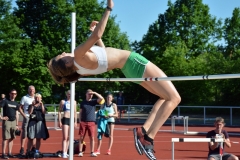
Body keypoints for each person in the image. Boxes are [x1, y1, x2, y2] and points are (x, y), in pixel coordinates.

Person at [47, 0, 181, 159]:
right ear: (66, 63)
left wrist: (96, 38)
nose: (63, 52)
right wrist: (108, 9)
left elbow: (105, 54)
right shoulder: (77, 54)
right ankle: (148, 138)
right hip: (133, 62)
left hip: (129, 70)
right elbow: (97, 34)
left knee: (165, 97)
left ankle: (143, 131)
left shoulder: (81, 69)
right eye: (61, 56)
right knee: (174, 98)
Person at [78, 89, 104, 157]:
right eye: (89, 94)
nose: (90, 95)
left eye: (91, 94)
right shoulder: (82, 103)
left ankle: (92, 152)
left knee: (92, 137)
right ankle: (80, 151)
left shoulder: (93, 102)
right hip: (83, 122)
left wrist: (95, 92)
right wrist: (80, 120)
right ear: (86, 94)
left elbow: (101, 98)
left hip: (92, 122)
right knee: (81, 137)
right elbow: (80, 112)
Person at [26, 93, 49, 157]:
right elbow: (29, 113)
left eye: (38, 98)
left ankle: (37, 151)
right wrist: (33, 106)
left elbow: (44, 112)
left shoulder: (42, 105)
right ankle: (28, 151)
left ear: (41, 99)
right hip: (32, 122)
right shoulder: (31, 105)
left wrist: (42, 105)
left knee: (38, 138)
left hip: (40, 122)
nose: (37, 99)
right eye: (36, 97)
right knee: (31, 137)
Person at [0, 89, 20, 159]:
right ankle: (3, 154)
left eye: (15, 94)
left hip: (13, 122)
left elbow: (17, 114)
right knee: (5, 138)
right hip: (7, 122)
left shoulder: (16, 103)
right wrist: (1, 117)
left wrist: (17, 124)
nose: (13, 95)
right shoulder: (5, 101)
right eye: (12, 93)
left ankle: (10, 153)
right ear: (9, 94)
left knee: (12, 138)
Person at [58, 90, 77, 158]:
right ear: (67, 94)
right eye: (69, 94)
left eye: (71, 94)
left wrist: (75, 121)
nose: (70, 95)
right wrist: (59, 121)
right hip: (65, 119)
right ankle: (64, 152)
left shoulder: (74, 102)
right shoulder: (63, 101)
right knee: (65, 137)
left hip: (71, 120)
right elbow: (59, 111)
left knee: (70, 137)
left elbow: (75, 112)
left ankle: (66, 151)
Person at [18, 85, 36, 155]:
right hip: (27, 116)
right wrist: (24, 116)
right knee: (24, 133)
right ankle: (22, 148)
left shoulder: (36, 97)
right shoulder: (24, 97)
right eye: (30, 89)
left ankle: (32, 148)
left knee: (33, 133)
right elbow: (20, 108)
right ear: (28, 90)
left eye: (33, 89)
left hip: (34, 117)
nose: (31, 91)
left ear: (35, 90)